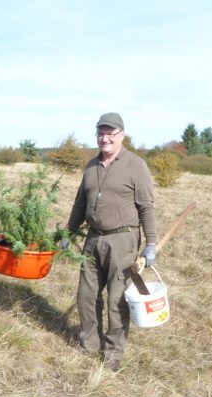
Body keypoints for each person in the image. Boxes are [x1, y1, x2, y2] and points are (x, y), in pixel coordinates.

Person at [65, 112, 157, 371]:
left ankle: (113, 352)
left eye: (110, 133)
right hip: (93, 239)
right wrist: (69, 231)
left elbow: (147, 207)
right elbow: (80, 203)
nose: (105, 138)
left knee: (117, 299)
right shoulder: (91, 165)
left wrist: (151, 243)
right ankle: (89, 343)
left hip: (123, 240)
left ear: (121, 136)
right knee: (86, 295)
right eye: (101, 133)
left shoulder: (136, 165)